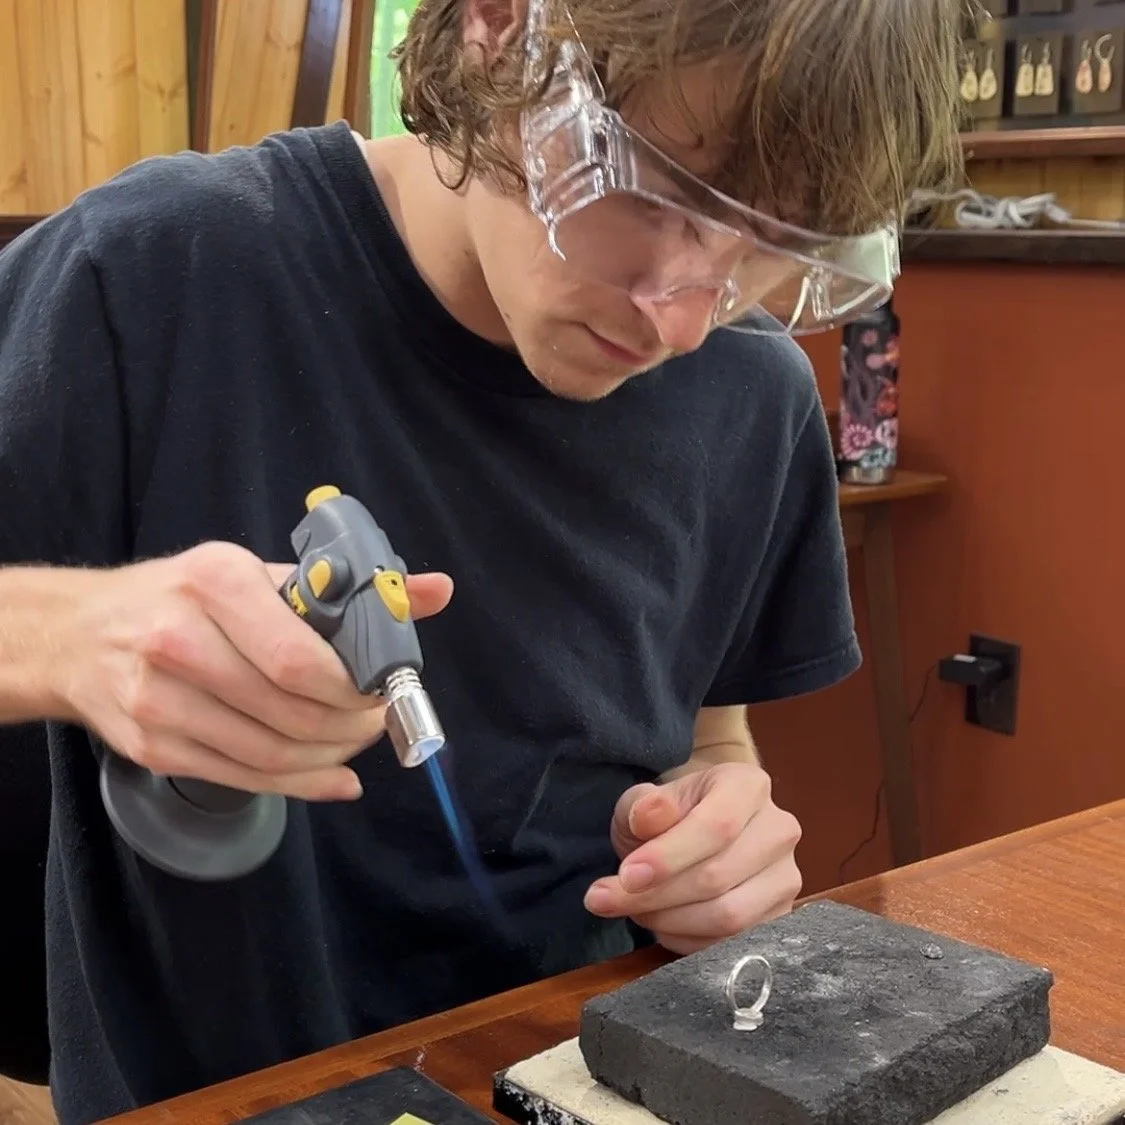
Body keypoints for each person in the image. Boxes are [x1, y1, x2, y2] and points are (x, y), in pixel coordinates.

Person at [0, 0, 962, 1121]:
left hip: (575, 1082)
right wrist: (75, 636)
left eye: (770, 251)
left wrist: (719, 827)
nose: (686, 320)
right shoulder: (151, 275)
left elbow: (707, 729)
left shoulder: (753, 401)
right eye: (659, 195)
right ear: (501, 31)